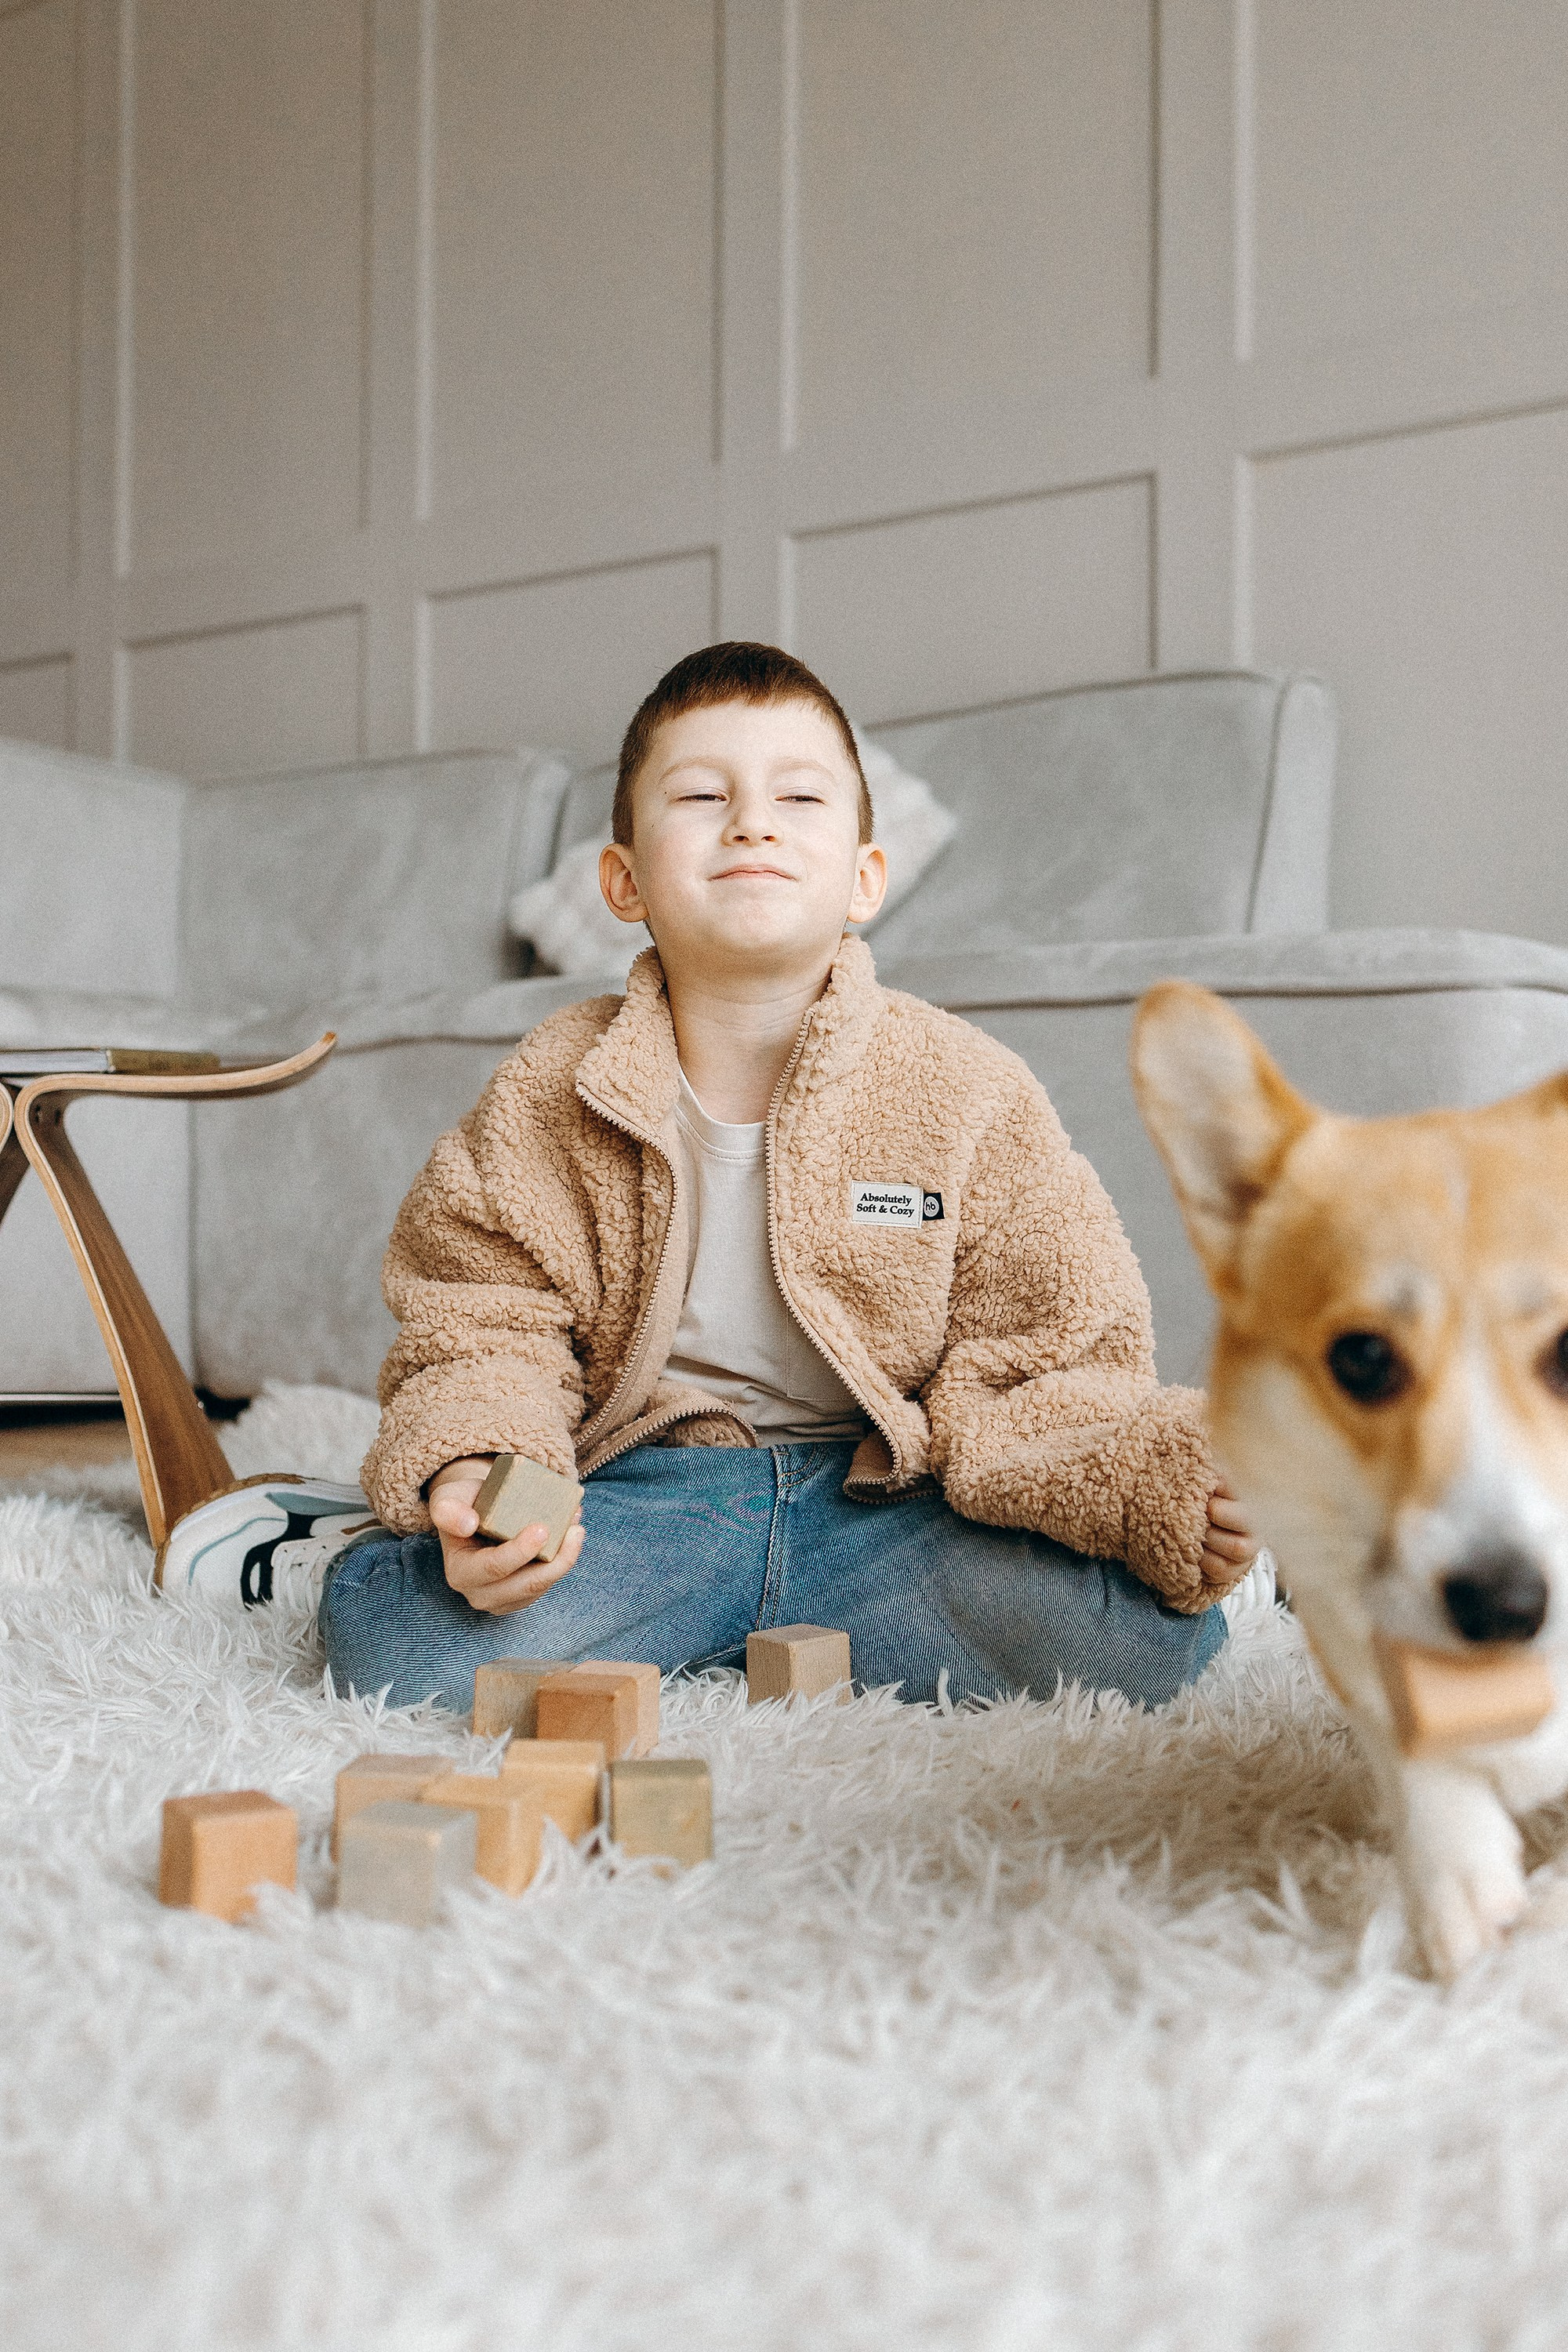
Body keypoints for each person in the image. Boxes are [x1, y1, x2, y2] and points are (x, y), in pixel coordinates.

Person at [318, 642, 1262, 1711]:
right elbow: (482, 1318)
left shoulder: (966, 1087)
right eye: (703, 795)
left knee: (1136, 1649)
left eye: (800, 796)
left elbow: (1053, 1342)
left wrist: (1138, 1479)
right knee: (392, 1642)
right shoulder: (551, 1087)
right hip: (649, 1500)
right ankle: (324, 1533)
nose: (752, 822)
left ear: (865, 878)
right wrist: (477, 1476)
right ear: (624, 880)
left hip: (887, 1504)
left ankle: (772, 1629)